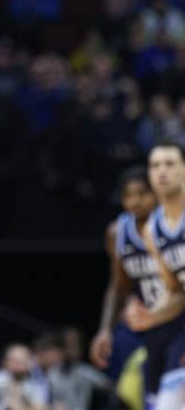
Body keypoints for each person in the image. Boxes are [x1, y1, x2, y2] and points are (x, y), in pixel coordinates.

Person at [124, 142, 185, 408]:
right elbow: (175, 292)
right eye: (155, 165)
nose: (162, 171)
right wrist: (149, 316)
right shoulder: (153, 230)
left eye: (170, 164)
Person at [89, 166, 160, 394]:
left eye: (142, 193)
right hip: (141, 319)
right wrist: (104, 330)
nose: (135, 201)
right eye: (128, 195)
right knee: (127, 389)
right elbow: (117, 286)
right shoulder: (117, 231)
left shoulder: (172, 225)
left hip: (174, 317)